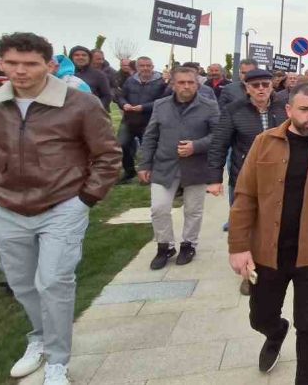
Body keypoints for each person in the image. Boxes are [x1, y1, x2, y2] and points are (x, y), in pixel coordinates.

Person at [0, 32, 121, 385]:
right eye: (12, 63)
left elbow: (107, 156)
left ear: (49, 65)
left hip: (62, 205)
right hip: (5, 206)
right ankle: (39, 337)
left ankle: (58, 360)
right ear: (0, 63)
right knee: (23, 283)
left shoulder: (79, 104)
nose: (21, 71)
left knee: (54, 282)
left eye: (30, 64)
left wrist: (84, 200)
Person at [227, 82, 308, 382]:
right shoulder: (264, 142)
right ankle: (276, 331)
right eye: (304, 109)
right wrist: (238, 246)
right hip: (268, 250)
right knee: (260, 316)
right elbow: (245, 195)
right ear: (289, 110)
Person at [138, 67, 220, 269]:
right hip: (165, 165)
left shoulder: (209, 106)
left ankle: (188, 244)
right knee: (159, 208)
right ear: (173, 84)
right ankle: (164, 245)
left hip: (196, 166)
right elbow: (150, 136)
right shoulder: (160, 105)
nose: (186, 86)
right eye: (181, 82)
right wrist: (145, 164)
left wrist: (196, 146)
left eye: (190, 82)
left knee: (193, 210)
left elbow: (218, 136)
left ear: (197, 84)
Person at [207, 69, 287, 239]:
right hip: (246, 173)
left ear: (272, 86)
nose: (261, 89)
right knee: (246, 221)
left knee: (276, 220)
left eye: (265, 85)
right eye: (255, 85)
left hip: (279, 174)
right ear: (247, 88)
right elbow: (219, 144)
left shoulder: (284, 108)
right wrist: (214, 179)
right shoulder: (233, 110)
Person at [116, 56, 167, 184]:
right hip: (129, 121)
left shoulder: (161, 82)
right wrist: (124, 104)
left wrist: (144, 107)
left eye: (148, 66)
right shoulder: (130, 80)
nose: (145, 68)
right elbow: (120, 97)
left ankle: (148, 173)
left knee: (148, 149)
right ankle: (129, 171)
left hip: (149, 121)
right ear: (137, 67)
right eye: (142, 66)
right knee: (122, 145)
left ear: (153, 67)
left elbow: (163, 100)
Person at [68, 45, 112, 109]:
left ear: (89, 58)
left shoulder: (99, 75)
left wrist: (97, 108)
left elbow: (107, 96)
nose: (80, 57)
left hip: (92, 113)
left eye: (84, 55)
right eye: (76, 55)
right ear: (71, 57)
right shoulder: (66, 74)